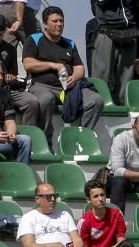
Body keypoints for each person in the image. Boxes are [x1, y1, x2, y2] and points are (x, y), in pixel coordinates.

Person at [23, 6, 103, 146]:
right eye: (55, 21)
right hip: (41, 86)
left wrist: (75, 77)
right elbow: (28, 64)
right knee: (45, 100)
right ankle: (45, 142)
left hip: (68, 88)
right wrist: (53, 65)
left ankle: (81, 140)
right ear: (45, 24)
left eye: (61, 21)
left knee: (95, 100)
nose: (59, 24)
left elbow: (79, 67)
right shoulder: (34, 39)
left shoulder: (69, 43)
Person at [80, 180, 138, 247]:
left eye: (102, 195)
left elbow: (121, 241)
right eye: (96, 196)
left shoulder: (116, 214)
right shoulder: (84, 221)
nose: (100, 199)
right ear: (88, 200)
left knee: (127, 245)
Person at [88, 0, 138, 103]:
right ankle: (98, 110)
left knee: (126, 83)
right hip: (107, 31)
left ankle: (123, 113)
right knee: (101, 79)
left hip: (129, 33)